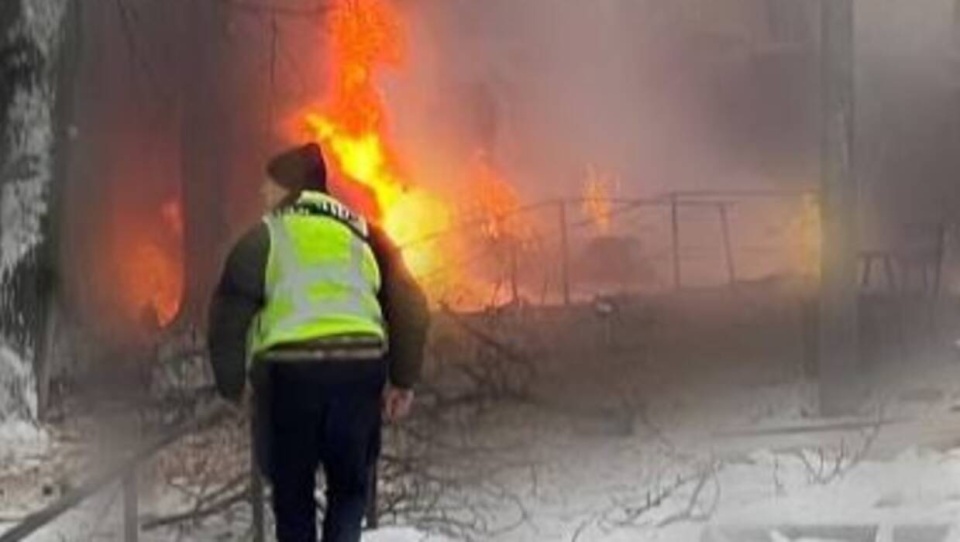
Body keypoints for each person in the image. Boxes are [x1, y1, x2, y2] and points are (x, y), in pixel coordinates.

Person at [208, 142, 430, 542]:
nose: (261, 194)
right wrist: (402, 380)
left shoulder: (266, 237)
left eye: (268, 186)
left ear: (287, 189)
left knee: (292, 497)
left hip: (290, 379)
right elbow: (410, 305)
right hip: (359, 372)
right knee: (349, 490)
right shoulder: (366, 233)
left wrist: (232, 384)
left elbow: (227, 312)